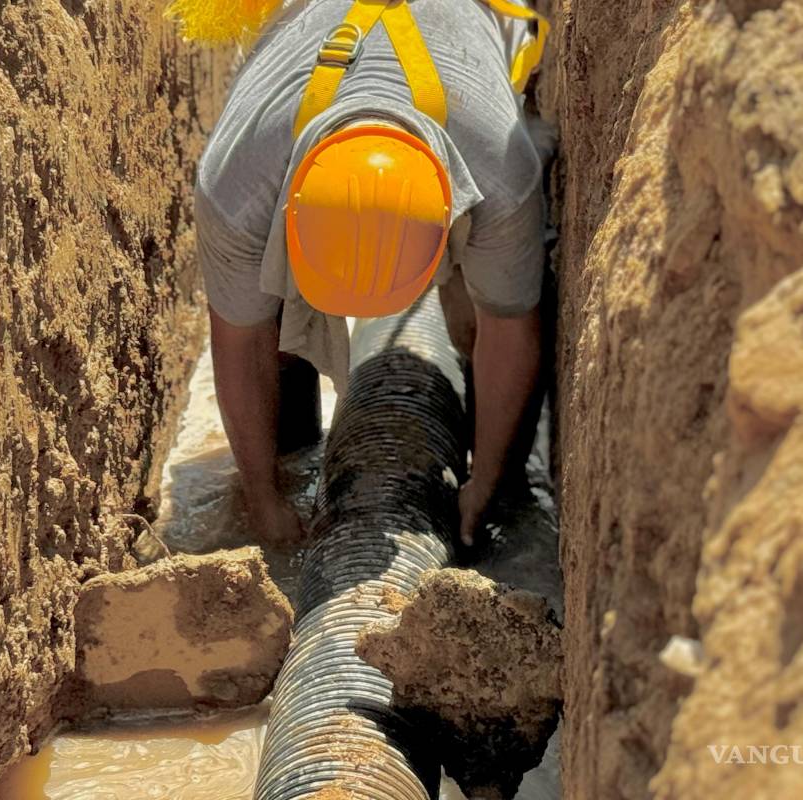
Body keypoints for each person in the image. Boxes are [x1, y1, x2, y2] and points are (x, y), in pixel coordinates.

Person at [193, 0, 549, 547]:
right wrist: (263, 498)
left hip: (461, 31)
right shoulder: (235, 191)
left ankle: (502, 487)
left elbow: (508, 327)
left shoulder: (501, 175)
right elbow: (241, 341)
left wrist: (485, 484)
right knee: (272, 321)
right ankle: (287, 447)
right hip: (309, 27)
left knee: (476, 318)